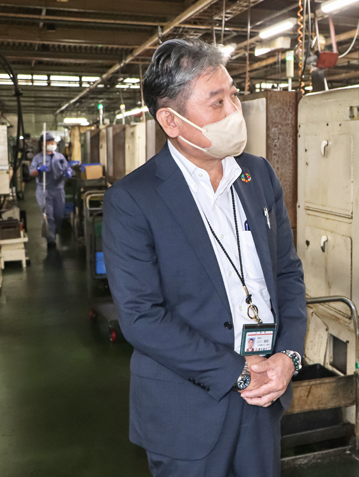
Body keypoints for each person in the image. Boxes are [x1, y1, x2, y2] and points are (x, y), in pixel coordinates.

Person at [103, 38, 307, 476]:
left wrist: (287, 357)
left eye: (234, 94)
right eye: (217, 103)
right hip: (187, 409)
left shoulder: (258, 176)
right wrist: (236, 371)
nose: (235, 110)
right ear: (171, 121)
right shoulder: (133, 200)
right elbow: (141, 316)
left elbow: (287, 273)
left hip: (263, 396)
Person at [29, 133, 72, 247]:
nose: (52, 144)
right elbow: (32, 172)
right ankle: (50, 238)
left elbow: (68, 168)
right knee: (48, 215)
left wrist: (68, 172)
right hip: (44, 190)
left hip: (58, 190)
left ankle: (54, 232)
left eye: (53, 142)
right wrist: (39, 170)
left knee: (59, 214)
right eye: (50, 142)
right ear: (43, 144)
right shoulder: (38, 158)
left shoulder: (60, 157)